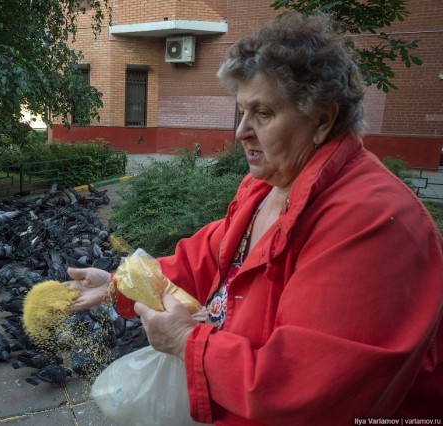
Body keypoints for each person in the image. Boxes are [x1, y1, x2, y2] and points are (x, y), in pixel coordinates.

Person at [65, 11, 443, 425]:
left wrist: (188, 342)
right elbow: (204, 259)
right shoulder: (267, 186)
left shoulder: (372, 223)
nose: (241, 131)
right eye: (241, 112)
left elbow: (305, 390)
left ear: (322, 119)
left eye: (262, 114)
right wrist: (121, 285)